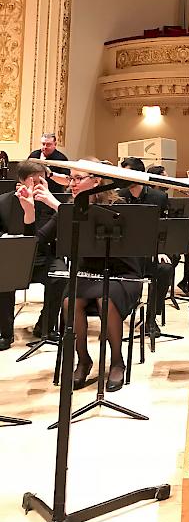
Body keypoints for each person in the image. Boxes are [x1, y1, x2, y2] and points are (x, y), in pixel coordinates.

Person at [28, 160, 147, 392]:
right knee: (70, 301)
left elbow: (126, 246)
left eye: (78, 178)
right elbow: (39, 239)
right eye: (71, 178)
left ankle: (116, 361)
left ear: (96, 181)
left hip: (122, 274)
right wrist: (29, 210)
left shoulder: (118, 206)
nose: (72, 183)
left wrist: (59, 208)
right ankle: (83, 360)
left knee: (106, 299)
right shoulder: (70, 207)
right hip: (87, 273)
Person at [0, 161, 65, 349]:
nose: (39, 185)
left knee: (60, 277)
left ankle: (45, 327)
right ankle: (5, 332)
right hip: (14, 257)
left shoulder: (50, 203)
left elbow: (43, 237)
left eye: (42, 181)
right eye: (34, 181)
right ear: (22, 181)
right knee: (3, 277)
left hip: (46, 256)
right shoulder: (3, 202)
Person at [119, 157, 171, 337]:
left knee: (164, 269)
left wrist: (161, 250)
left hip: (149, 252)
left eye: (129, 173)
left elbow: (164, 229)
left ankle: (150, 319)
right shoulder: (118, 196)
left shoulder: (159, 197)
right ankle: (118, 315)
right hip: (124, 254)